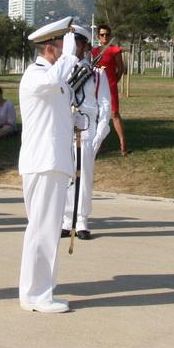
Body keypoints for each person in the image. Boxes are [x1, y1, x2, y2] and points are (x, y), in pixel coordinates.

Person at [18, 16, 79, 314]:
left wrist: (74, 120)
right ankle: (35, 294)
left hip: (54, 161)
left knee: (48, 228)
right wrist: (67, 57)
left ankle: (43, 289)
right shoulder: (36, 74)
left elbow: (56, 111)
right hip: (42, 161)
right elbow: (54, 80)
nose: (72, 51)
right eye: (63, 44)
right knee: (41, 228)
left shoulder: (54, 78)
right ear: (51, 48)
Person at [62, 25, 111, 239]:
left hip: (86, 128)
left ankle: (81, 221)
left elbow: (105, 106)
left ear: (85, 46)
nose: (73, 47)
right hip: (63, 128)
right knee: (65, 176)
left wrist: (99, 135)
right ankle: (65, 220)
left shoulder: (97, 74)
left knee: (84, 177)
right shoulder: (59, 72)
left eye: (77, 43)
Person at [92, 25, 128, 155]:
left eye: (107, 34)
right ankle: (101, 143)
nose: (105, 37)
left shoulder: (114, 50)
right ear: (98, 36)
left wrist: (113, 82)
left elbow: (121, 68)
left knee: (114, 114)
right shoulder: (94, 51)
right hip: (97, 87)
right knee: (99, 114)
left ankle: (123, 143)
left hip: (110, 86)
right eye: (102, 35)